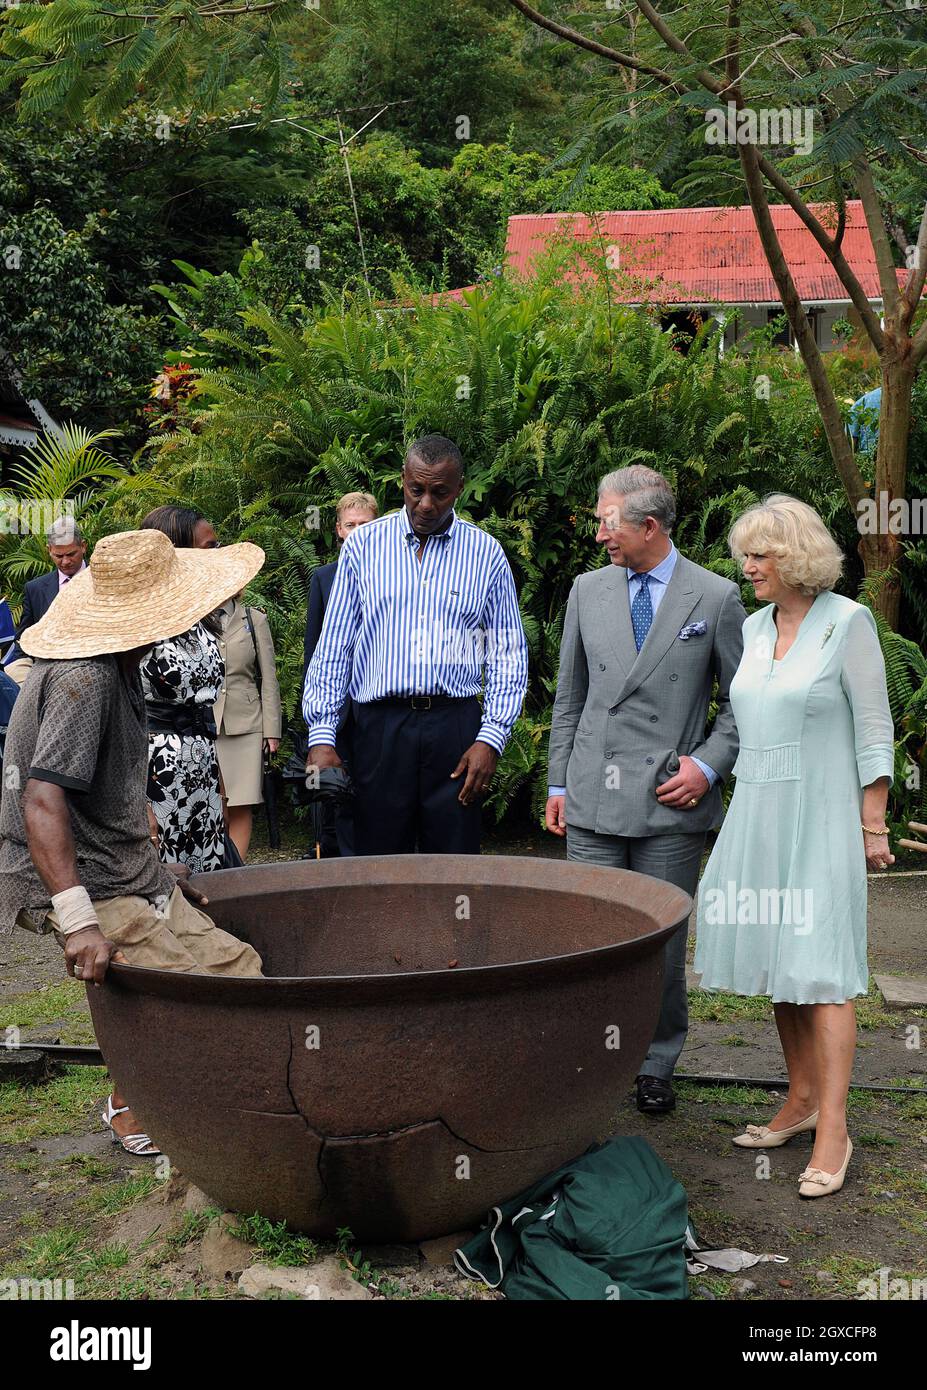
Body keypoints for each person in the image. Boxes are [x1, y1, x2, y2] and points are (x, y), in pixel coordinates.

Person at [0, 528, 265, 1155]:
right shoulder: (83, 679)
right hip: (84, 876)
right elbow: (41, 798)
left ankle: (203, 1105)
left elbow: (110, 782)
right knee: (187, 1002)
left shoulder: (122, 662)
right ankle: (133, 1104)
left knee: (242, 972)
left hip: (127, 865)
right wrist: (78, 920)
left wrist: (153, 861)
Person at [694, 495, 894, 1198]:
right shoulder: (751, 627)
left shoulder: (849, 622)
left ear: (797, 557)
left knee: (823, 968)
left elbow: (873, 727)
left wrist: (873, 825)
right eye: (744, 554)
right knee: (780, 962)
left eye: (760, 555)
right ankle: (801, 1099)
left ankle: (834, 1128)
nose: (746, 567)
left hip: (821, 814)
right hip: (760, 808)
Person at [546, 466, 746, 1116]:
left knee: (659, 946)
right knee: (590, 939)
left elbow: (742, 704)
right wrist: (556, 781)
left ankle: (655, 1061)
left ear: (648, 526)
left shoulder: (713, 598)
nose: (599, 532)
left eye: (606, 520)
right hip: (592, 797)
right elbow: (568, 698)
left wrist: (708, 766)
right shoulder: (586, 589)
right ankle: (588, 1059)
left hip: (669, 800)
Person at [303, 434, 528, 854]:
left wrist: (491, 738)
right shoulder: (364, 549)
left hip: (455, 731)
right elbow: (334, 649)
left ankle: (454, 923)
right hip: (379, 731)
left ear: (459, 488)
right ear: (402, 481)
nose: (426, 504)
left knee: (454, 864)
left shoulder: (486, 554)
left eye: (440, 493)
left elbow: (507, 654)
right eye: (416, 490)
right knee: (378, 864)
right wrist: (322, 736)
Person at [138, 507, 227, 874]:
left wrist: (216, 770)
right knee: (163, 881)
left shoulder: (198, 616)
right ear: (178, 552)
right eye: (209, 547)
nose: (217, 554)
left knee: (205, 878)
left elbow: (200, 705)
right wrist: (135, 802)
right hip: (155, 772)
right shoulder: (137, 621)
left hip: (200, 767)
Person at [302, 491, 378, 856]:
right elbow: (314, 649)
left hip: (381, 707)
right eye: (351, 525)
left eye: (365, 524)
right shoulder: (324, 578)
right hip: (340, 708)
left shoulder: (395, 574)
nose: (358, 531)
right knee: (339, 795)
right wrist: (317, 722)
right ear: (338, 530)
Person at [214, 592, 283, 861]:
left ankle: (235, 872)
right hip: (202, 724)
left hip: (246, 724)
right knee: (208, 804)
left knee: (241, 804)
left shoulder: (254, 620)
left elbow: (268, 677)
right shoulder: (192, 617)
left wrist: (272, 730)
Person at [5, 517, 88, 681]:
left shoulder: (105, 581)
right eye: (58, 555)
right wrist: (21, 678)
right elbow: (23, 641)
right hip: (46, 678)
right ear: (49, 550)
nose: (65, 561)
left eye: (71, 554)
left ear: (83, 546)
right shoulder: (34, 589)